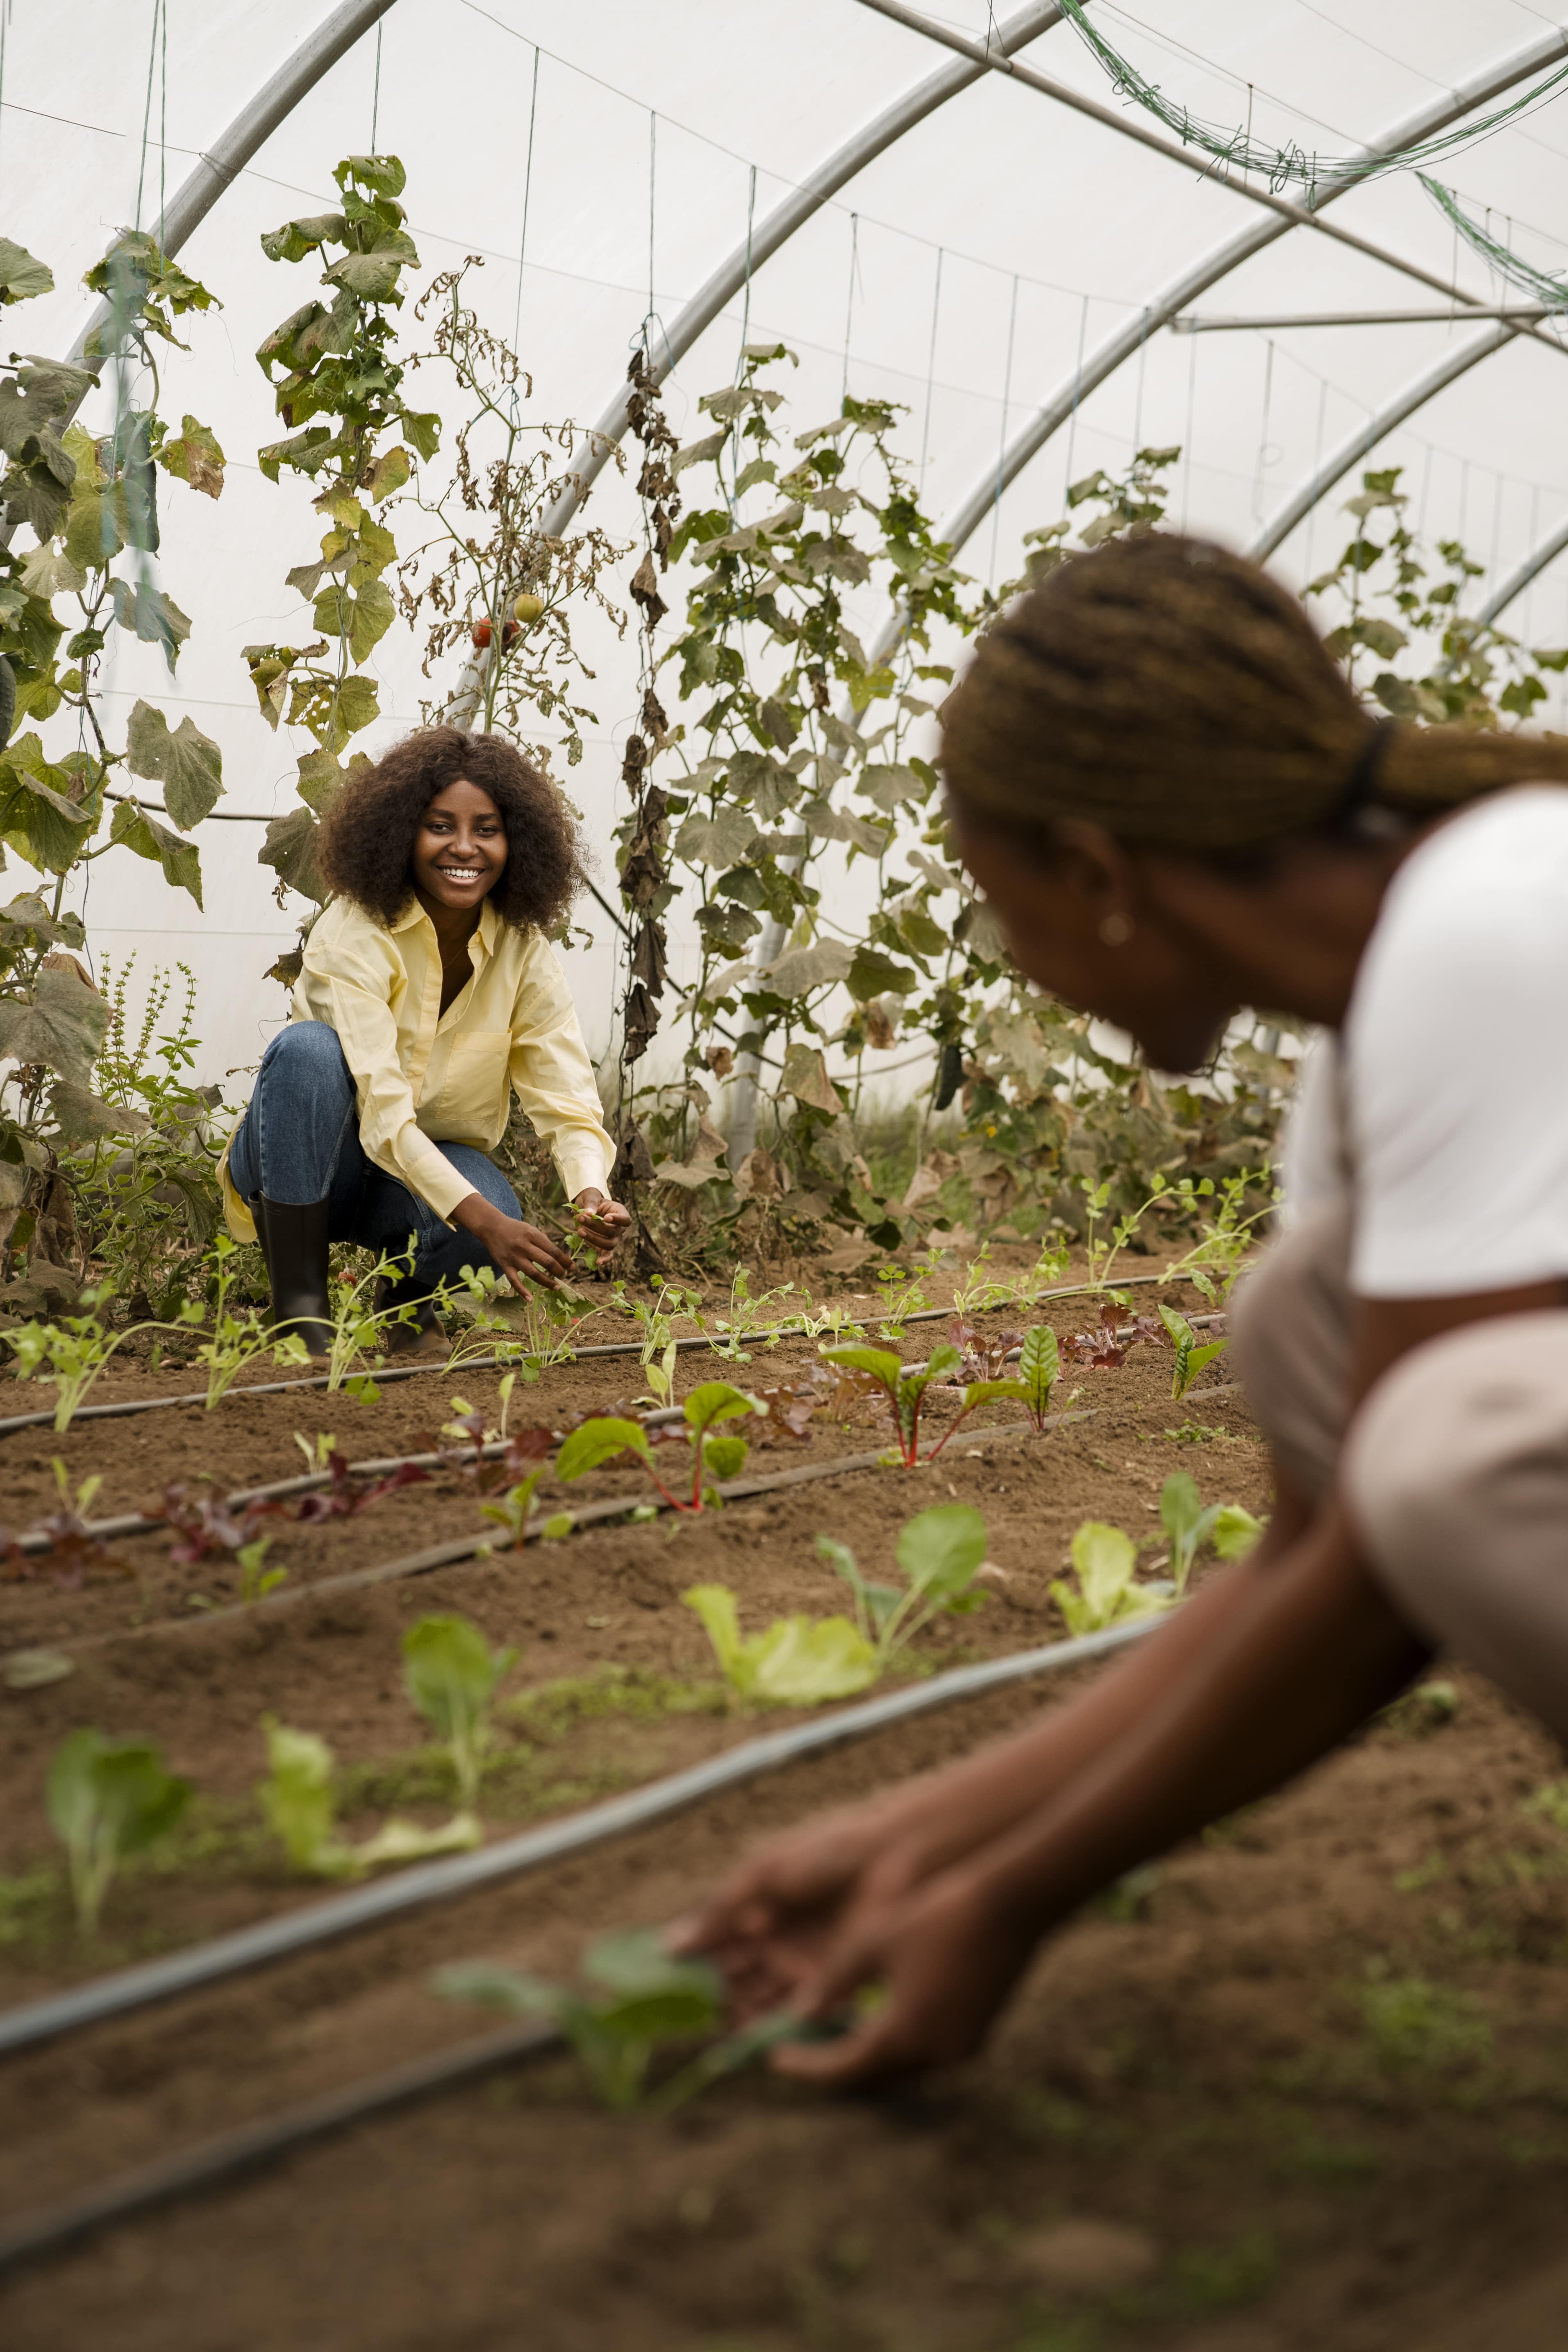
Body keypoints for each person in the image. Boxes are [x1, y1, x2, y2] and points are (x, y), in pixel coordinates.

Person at [678, 530, 1568, 2086]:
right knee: (1308, 1315)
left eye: (994, 905)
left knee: (1446, 1450)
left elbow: (1372, 1577)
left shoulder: (1491, 925)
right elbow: (1311, 1550)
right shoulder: (1373, 1014)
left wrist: (1008, 1900)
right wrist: (908, 1843)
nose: (1010, 959)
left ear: (1093, 876)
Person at [224, 727, 630, 1354]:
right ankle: (300, 1313)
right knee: (308, 1052)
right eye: (440, 826)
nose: (464, 847)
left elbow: (565, 1093)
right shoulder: (356, 929)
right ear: (401, 833)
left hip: (409, 1181)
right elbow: (383, 1114)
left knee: (490, 1219)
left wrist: (591, 1193)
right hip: (309, 1169)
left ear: (515, 840)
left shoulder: (523, 952)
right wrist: (485, 1220)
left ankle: (406, 1303)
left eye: (486, 829)